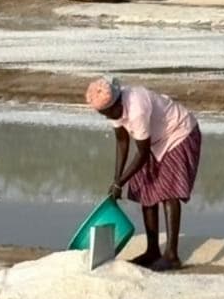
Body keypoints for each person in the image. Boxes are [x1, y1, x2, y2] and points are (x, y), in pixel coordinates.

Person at [85, 77, 202, 272]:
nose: (107, 117)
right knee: (145, 188)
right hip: (154, 140)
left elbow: (142, 153)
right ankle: (153, 250)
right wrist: (116, 179)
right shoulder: (115, 110)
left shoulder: (136, 108)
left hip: (178, 133)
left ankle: (171, 256)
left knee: (168, 191)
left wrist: (121, 182)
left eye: (107, 113)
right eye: (103, 114)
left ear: (117, 103)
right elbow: (122, 141)